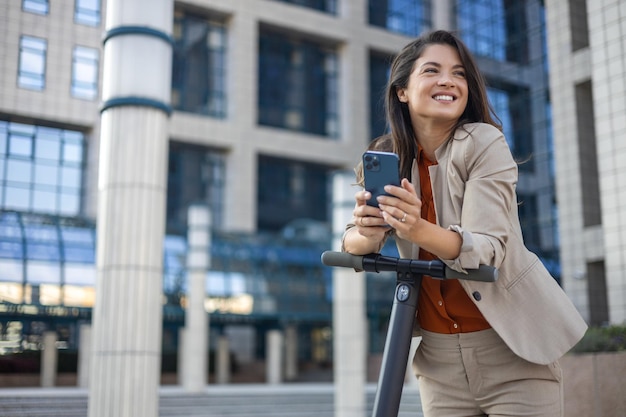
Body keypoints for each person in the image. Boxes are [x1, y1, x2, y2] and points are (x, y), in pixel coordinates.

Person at [342, 30, 587, 417]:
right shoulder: (387, 155)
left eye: (459, 74)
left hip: (512, 351)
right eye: (432, 70)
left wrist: (415, 227)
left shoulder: (484, 143)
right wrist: (365, 232)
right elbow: (353, 244)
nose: (448, 81)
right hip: (440, 364)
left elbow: (486, 248)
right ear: (402, 91)